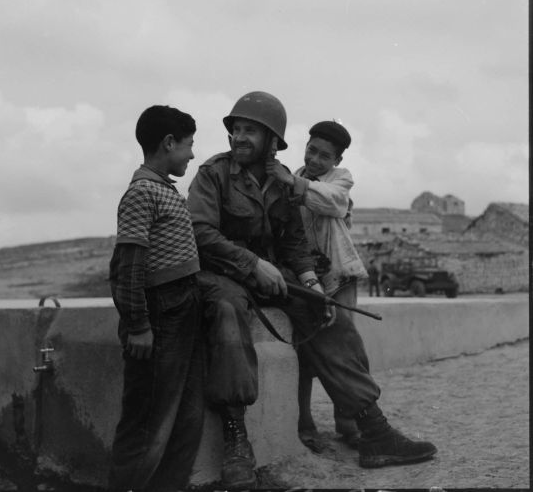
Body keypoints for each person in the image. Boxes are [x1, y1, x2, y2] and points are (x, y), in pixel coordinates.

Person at [187, 91, 437, 488]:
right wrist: (253, 264)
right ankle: (236, 442)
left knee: (324, 312)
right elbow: (200, 232)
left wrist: (308, 279)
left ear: (271, 139)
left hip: (273, 274)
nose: (239, 137)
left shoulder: (282, 178)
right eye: (236, 129)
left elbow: (292, 239)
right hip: (223, 275)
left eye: (250, 130)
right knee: (226, 314)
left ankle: (373, 429)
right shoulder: (212, 174)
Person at [108, 105, 204, 492]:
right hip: (159, 317)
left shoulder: (166, 190)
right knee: (148, 421)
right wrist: (139, 326)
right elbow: (128, 267)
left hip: (184, 311)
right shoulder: (141, 193)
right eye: (188, 145)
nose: (192, 154)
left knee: (186, 417)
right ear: (168, 143)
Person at [266, 119, 369, 451]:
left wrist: (293, 183)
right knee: (304, 349)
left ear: (336, 161)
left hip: (338, 276)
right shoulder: (293, 175)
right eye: (311, 150)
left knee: (346, 350)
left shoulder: (341, 179)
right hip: (306, 279)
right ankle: (304, 421)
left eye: (324, 156)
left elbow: (334, 202)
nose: (314, 160)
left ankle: (349, 421)